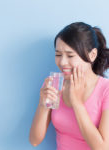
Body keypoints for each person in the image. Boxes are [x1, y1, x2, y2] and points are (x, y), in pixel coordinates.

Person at [29, 22, 109, 150]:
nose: (62, 62)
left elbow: (103, 148)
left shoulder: (106, 90)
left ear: (92, 55)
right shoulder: (54, 83)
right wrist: (43, 105)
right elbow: (34, 140)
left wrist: (77, 103)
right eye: (58, 54)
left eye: (70, 55)